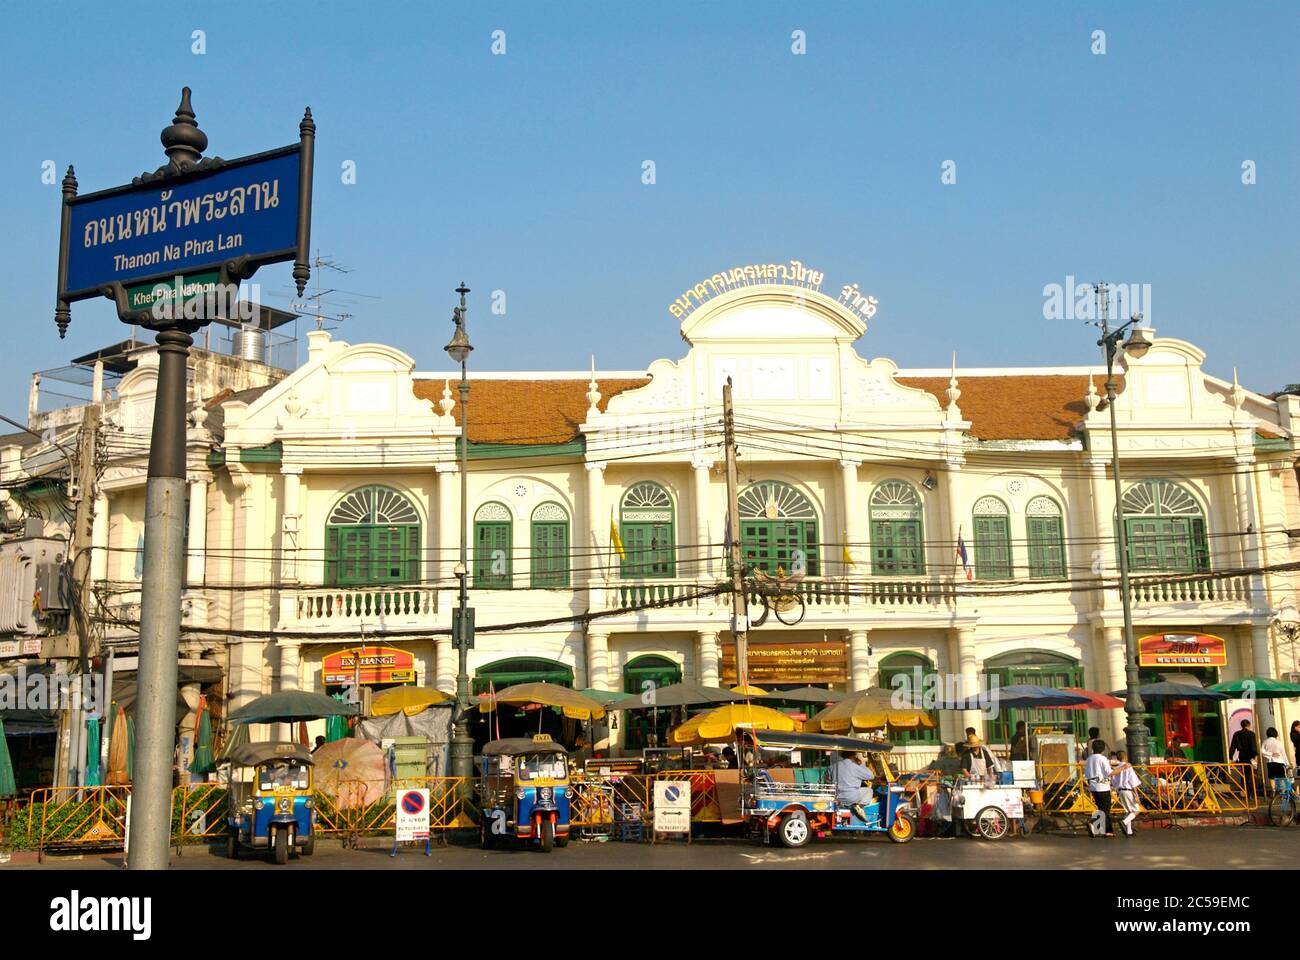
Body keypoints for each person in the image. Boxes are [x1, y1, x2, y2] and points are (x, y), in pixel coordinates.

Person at [835, 751, 876, 823]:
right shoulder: (855, 766)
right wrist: (861, 764)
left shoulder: (834, 766)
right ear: (854, 756)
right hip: (851, 797)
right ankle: (859, 806)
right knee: (869, 791)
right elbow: (871, 776)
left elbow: (827, 778)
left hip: (837, 797)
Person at [1084, 740, 1114, 837]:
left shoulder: (1089, 759)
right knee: (1106, 809)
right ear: (1103, 749)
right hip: (1102, 786)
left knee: (1101, 807)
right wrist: (1122, 768)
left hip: (1093, 785)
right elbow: (1109, 772)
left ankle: (1098, 828)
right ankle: (1104, 829)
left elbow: (1086, 773)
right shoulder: (1102, 759)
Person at [1111, 750, 1140, 837]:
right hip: (1128, 790)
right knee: (1136, 810)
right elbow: (1133, 782)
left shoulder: (1116, 768)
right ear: (1125, 757)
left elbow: (1114, 782)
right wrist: (1136, 795)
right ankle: (1124, 822)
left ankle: (1129, 831)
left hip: (1120, 790)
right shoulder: (1128, 767)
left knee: (1128, 811)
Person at [1261, 727, 1288, 792]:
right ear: (1276, 734)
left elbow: (1262, 751)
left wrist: (1270, 754)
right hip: (1280, 762)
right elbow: (1283, 753)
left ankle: (1273, 790)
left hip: (1270, 762)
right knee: (1281, 777)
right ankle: (1282, 791)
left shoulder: (1265, 742)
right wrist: (1287, 763)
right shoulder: (1279, 742)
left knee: (1271, 777)